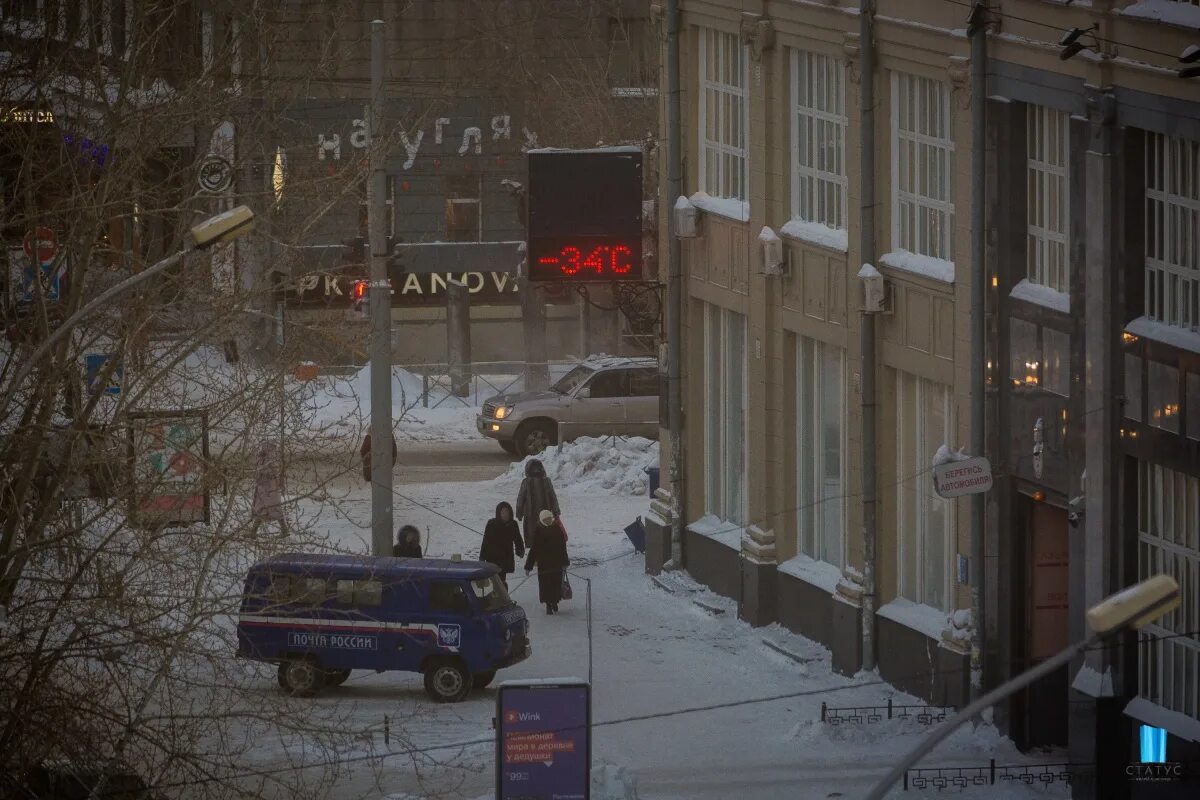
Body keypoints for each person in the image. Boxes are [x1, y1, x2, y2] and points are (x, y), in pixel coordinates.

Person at [524, 509, 568, 615]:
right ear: (542, 520)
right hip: (544, 565)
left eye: (549, 518)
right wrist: (528, 566)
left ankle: (555, 602)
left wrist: (565, 562)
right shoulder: (538, 530)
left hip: (556, 563)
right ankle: (548, 604)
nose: (548, 520)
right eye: (546, 519)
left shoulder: (557, 528)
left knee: (556, 584)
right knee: (546, 585)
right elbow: (534, 550)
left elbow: (563, 547)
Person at [515, 458, 559, 548]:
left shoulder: (526, 482)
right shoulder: (546, 481)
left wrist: (519, 513)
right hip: (546, 515)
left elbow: (520, 499)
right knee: (545, 536)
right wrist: (556, 511)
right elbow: (553, 497)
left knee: (533, 537)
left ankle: (536, 558)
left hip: (531, 515)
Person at [480, 502, 524, 586]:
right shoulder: (491, 524)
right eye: (503, 512)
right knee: (493, 581)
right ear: (498, 513)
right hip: (492, 557)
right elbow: (485, 541)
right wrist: (482, 556)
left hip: (505, 557)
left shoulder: (512, 524)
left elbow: (518, 539)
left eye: (507, 512)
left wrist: (520, 550)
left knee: (501, 581)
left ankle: (503, 596)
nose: (505, 514)